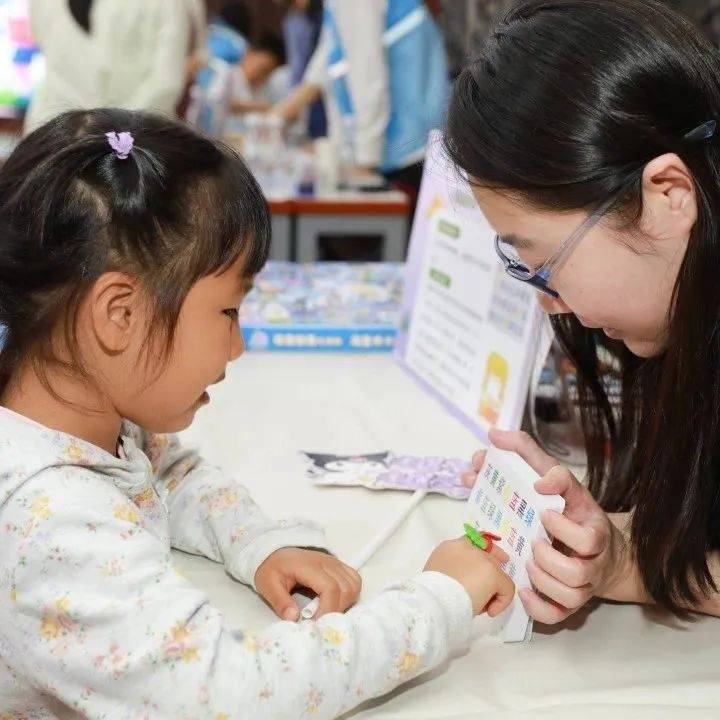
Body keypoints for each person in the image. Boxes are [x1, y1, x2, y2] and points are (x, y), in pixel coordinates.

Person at [0, 107, 514, 717]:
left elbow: (164, 474)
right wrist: (440, 602)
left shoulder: (77, 423)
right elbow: (229, 692)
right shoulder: (49, 519)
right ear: (120, 314)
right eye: (228, 312)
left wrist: (260, 544)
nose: (238, 345)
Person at [449, 0, 720, 622]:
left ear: (668, 197)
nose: (547, 299)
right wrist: (607, 542)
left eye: (545, 261)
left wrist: (630, 567)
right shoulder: (678, 323)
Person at [274, 0, 449, 190]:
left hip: (406, 149)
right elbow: (326, 62)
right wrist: (278, 115)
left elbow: (369, 79)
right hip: (404, 146)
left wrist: (365, 162)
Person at [25, 0, 190, 133]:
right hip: (52, 127)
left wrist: (108, 129)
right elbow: (44, 42)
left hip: (135, 137)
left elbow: (165, 82)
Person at [229, 34, 288, 114]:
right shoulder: (227, 76)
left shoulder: (263, 89)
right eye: (262, 69)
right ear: (249, 53)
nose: (261, 77)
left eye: (267, 74)